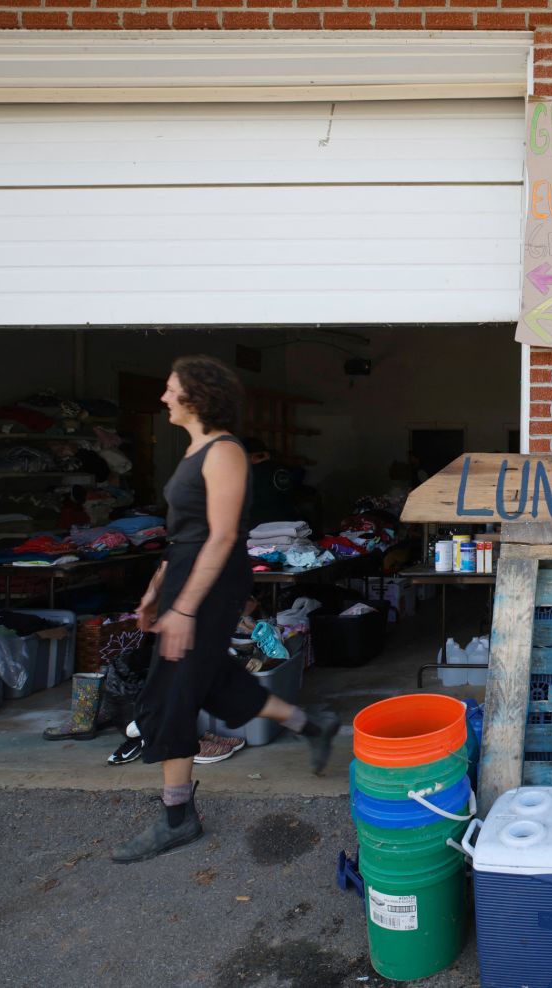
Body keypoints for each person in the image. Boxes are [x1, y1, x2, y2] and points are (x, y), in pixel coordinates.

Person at [113, 355, 338, 864]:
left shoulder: (225, 452)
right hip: (186, 576)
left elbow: (222, 537)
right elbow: (186, 536)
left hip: (211, 586)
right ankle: (308, 723)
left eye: (171, 389)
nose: (164, 397)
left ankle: (177, 817)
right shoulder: (194, 449)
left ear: (197, 395)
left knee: (170, 693)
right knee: (210, 679)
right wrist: (156, 589)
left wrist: (186, 609)